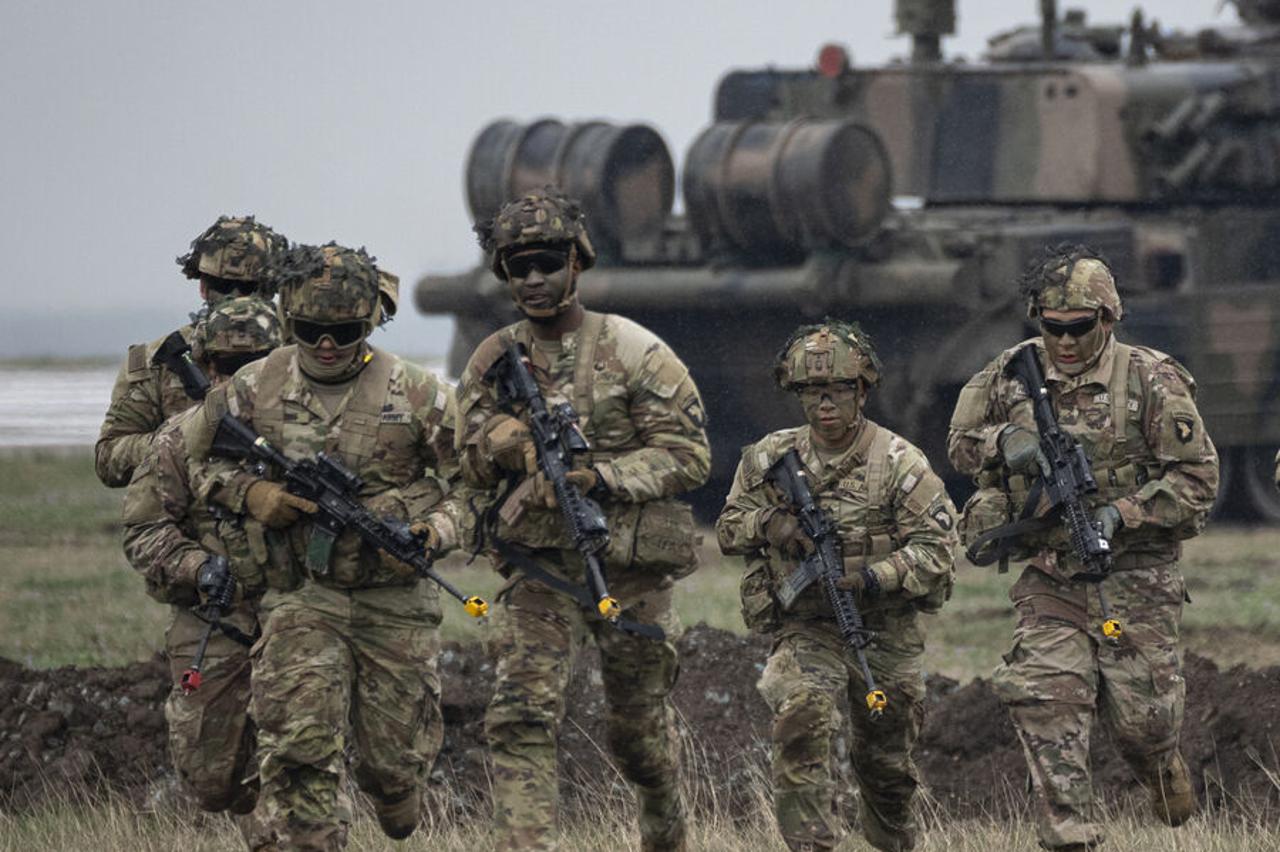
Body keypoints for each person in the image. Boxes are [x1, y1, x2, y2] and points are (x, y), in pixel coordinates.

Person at [183, 242, 464, 849]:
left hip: (395, 604)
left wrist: (433, 530)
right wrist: (252, 494)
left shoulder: (421, 394)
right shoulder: (252, 388)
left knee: (393, 771)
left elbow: (474, 486)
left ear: (370, 323)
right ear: (290, 320)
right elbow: (197, 464)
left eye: (344, 332)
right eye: (312, 331)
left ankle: (395, 790)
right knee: (299, 751)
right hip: (301, 597)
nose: (328, 345)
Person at [457, 188, 711, 851]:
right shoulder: (492, 361)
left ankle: (665, 827)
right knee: (520, 715)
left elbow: (689, 456)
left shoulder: (635, 351)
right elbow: (462, 457)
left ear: (577, 262)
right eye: (518, 268)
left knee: (638, 737)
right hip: (540, 572)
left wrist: (603, 477)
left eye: (547, 263)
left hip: (628, 571)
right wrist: (506, 443)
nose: (534, 280)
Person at [947, 245, 1219, 851]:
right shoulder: (1010, 373)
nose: (1065, 342)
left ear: (1109, 318)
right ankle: (1069, 834)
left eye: (1079, 327)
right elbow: (960, 443)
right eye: (1053, 327)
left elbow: (1198, 482)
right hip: (1052, 572)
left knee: (1143, 722)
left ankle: (1161, 763)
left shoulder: (1151, 379)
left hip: (1137, 575)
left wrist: (1121, 514)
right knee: (1046, 696)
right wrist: (1004, 441)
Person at [715, 319, 957, 852]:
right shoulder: (769, 457)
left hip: (883, 630)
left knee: (886, 768)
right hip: (806, 625)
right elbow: (728, 528)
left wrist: (873, 577)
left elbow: (938, 549)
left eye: (838, 390)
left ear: (862, 391)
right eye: (811, 392)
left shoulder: (899, 462)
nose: (824, 404)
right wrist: (771, 524)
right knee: (801, 722)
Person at [121, 296, 283, 819]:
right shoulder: (178, 438)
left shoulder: (303, 436)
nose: (243, 377)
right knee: (211, 781)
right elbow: (144, 530)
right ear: (208, 367)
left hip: (295, 615)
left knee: (300, 755)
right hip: (215, 615)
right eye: (232, 366)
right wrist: (198, 567)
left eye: (258, 363)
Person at [96, 215, 286, 487]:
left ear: (271, 290)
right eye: (224, 286)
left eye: (250, 288)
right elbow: (109, 460)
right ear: (203, 287)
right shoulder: (159, 359)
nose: (237, 297)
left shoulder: (301, 356)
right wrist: (185, 439)